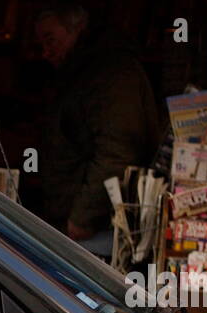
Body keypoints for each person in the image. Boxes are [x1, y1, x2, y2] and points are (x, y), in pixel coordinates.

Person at [35, 3, 159, 256]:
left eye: (51, 40)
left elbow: (117, 153)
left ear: (76, 28)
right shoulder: (83, 71)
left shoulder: (110, 73)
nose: (45, 52)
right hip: (86, 225)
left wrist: (83, 217)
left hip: (101, 231)